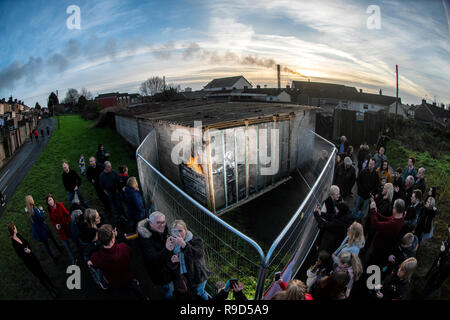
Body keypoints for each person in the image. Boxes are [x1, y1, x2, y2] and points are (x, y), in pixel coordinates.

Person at [88, 224, 147, 299]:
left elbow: (93, 264)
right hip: (127, 278)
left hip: (115, 283)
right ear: (113, 239)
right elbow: (130, 255)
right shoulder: (123, 247)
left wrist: (89, 262)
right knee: (138, 293)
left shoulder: (96, 257)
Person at [8, 223, 58, 298]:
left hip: (33, 257)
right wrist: (25, 252)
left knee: (43, 272)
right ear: (13, 230)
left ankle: (53, 286)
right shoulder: (14, 243)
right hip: (29, 263)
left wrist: (29, 249)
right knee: (40, 277)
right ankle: (50, 291)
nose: (16, 228)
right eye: (15, 227)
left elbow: (27, 242)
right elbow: (20, 255)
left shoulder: (18, 235)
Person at [137, 211, 177, 299]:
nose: (162, 225)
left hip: (168, 266)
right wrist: (167, 249)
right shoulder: (146, 239)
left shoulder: (162, 228)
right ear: (151, 223)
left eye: (163, 222)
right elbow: (153, 260)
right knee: (169, 289)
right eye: (158, 223)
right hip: (160, 273)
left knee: (172, 286)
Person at [169, 219, 211, 300]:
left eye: (180, 231)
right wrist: (174, 261)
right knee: (192, 293)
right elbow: (171, 264)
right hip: (185, 277)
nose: (178, 234)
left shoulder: (196, 240)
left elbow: (198, 255)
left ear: (186, 230)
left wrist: (183, 244)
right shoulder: (172, 243)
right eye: (175, 232)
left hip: (198, 275)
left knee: (200, 293)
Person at [366, 198, 405, 267]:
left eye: (393, 207)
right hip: (380, 247)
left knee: (369, 266)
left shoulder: (394, 224)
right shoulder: (400, 218)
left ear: (395, 209)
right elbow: (386, 219)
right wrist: (376, 212)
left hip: (379, 250)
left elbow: (376, 225)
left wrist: (372, 210)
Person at [25, 195, 61, 263]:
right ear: (31, 200)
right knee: (51, 238)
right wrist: (41, 211)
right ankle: (58, 249)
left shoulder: (27, 210)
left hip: (37, 230)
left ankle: (53, 258)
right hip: (42, 228)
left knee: (46, 244)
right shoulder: (34, 209)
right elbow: (42, 219)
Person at [420, 225, 450, 299]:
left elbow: (445, 268)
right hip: (440, 263)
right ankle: (427, 281)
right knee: (431, 278)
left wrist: (444, 251)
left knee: (432, 285)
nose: (448, 229)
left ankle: (424, 295)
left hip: (441, 272)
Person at [47, 194, 77, 265]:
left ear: (53, 199)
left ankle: (81, 249)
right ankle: (73, 259)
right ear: (47, 203)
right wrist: (56, 225)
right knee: (67, 246)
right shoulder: (50, 211)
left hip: (67, 227)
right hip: (60, 231)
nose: (50, 201)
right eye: (48, 201)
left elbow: (67, 214)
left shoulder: (60, 205)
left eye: (50, 199)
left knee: (74, 240)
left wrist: (68, 223)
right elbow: (52, 221)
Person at [352, 158, 379, 222]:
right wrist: (361, 190)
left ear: (374, 165)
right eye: (370, 163)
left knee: (364, 209)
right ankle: (353, 217)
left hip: (368, 196)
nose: (370, 165)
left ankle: (359, 219)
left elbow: (376, 185)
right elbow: (358, 181)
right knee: (356, 206)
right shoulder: (363, 171)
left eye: (372, 164)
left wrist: (372, 192)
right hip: (360, 194)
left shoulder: (376, 175)